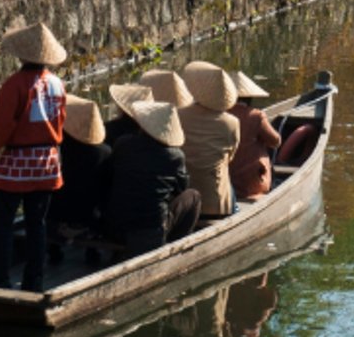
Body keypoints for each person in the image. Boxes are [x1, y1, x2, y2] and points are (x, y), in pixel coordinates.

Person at [0, 22, 67, 291]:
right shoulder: (57, 84)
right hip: (47, 162)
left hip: (18, 162)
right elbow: (60, 121)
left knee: (3, 223)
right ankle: (35, 280)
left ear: (22, 55)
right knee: (37, 224)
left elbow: (0, 121)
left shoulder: (15, 84)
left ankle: (0, 279)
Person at [102, 87, 199, 257]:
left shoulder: (123, 143)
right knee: (193, 196)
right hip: (150, 232)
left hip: (113, 226)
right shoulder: (175, 156)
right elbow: (182, 188)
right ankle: (178, 244)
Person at [49, 95, 111, 265]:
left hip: (57, 216)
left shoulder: (58, 151)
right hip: (90, 219)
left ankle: (53, 249)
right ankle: (93, 250)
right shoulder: (105, 152)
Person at [178, 62, 242, 217]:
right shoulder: (231, 122)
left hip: (184, 201)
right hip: (216, 205)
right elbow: (230, 157)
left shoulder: (178, 115)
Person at [227, 71, 282, 201]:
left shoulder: (220, 114)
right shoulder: (255, 116)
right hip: (251, 184)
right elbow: (275, 141)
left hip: (226, 181)